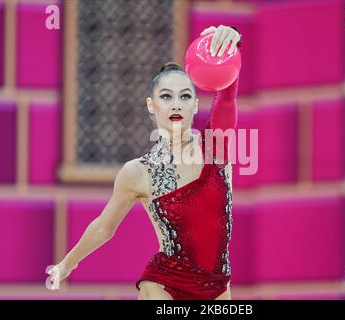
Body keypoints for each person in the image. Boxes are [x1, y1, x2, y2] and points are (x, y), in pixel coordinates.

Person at [46, 25, 242, 300]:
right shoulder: (137, 172)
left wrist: (229, 45)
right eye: (166, 97)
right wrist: (67, 264)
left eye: (185, 96)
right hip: (164, 287)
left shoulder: (216, 147)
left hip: (219, 291)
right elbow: (104, 227)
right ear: (151, 105)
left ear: (196, 105)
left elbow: (227, 95)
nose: (176, 105)